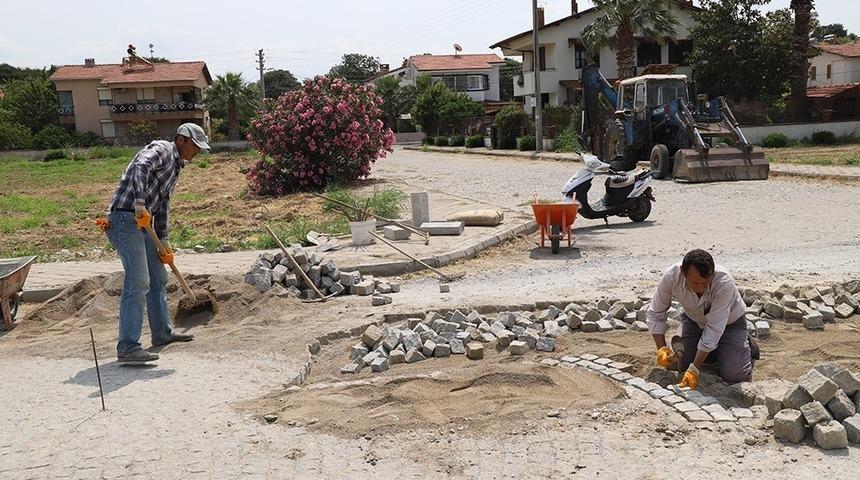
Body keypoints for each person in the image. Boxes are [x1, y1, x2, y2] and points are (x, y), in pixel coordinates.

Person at [105, 123, 210, 363]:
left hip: (144, 224)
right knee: (139, 280)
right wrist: (140, 204)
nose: (196, 152)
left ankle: (162, 333)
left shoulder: (176, 167)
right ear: (181, 139)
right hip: (125, 218)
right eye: (195, 146)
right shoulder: (162, 149)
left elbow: (162, 205)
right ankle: (128, 347)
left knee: (158, 277)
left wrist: (164, 242)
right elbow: (140, 167)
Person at [647, 249, 752, 389]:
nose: (701, 288)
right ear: (683, 273)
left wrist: (694, 368)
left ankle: (744, 343)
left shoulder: (723, 282)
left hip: (730, 324)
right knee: (674, 364)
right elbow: (655, 313)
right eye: (696, 283)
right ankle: (709, 349)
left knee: (735, 375)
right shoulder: (671, 277)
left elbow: (714, 329)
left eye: (705, 282)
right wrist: (662, 348)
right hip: (694, 322)